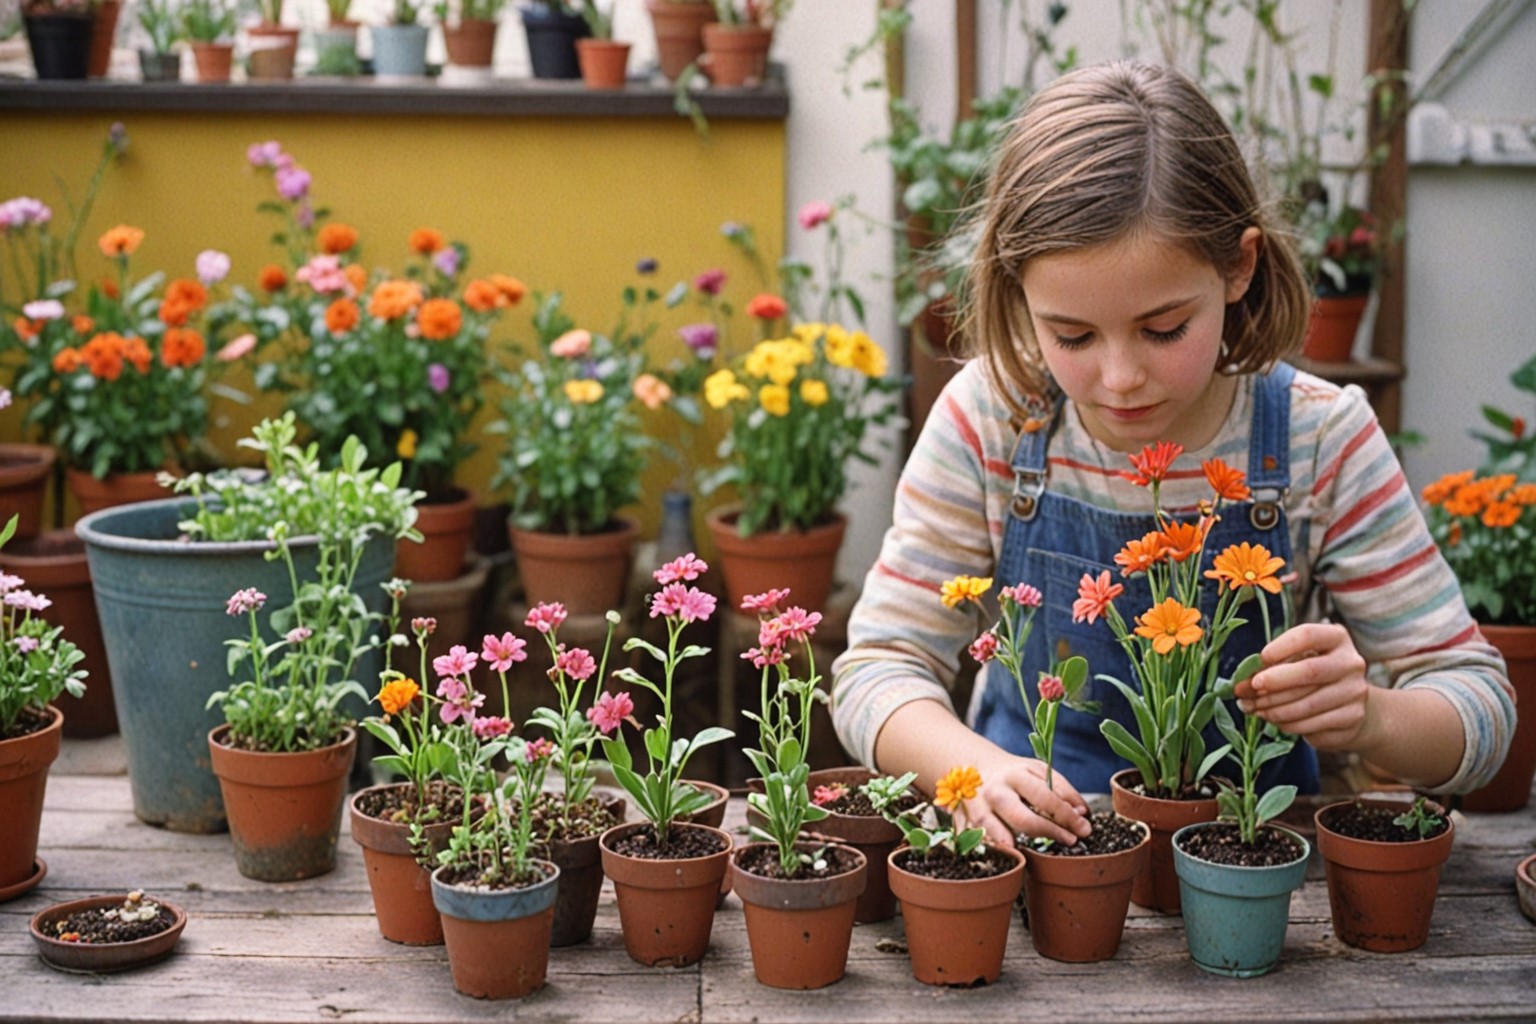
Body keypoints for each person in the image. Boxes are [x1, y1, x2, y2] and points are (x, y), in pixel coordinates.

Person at [830, 60, 1515, 850]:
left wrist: (1371, 716)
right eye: (1072, 336)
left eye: (1163, 329)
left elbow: (1482, 710)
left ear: (1239, 266)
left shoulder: (1316, 438)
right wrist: (970, 768)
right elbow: (877, 667)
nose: (1120, 379)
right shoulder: (994, 419)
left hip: (1255, 865)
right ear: (1017, 295)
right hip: (1038, 858)